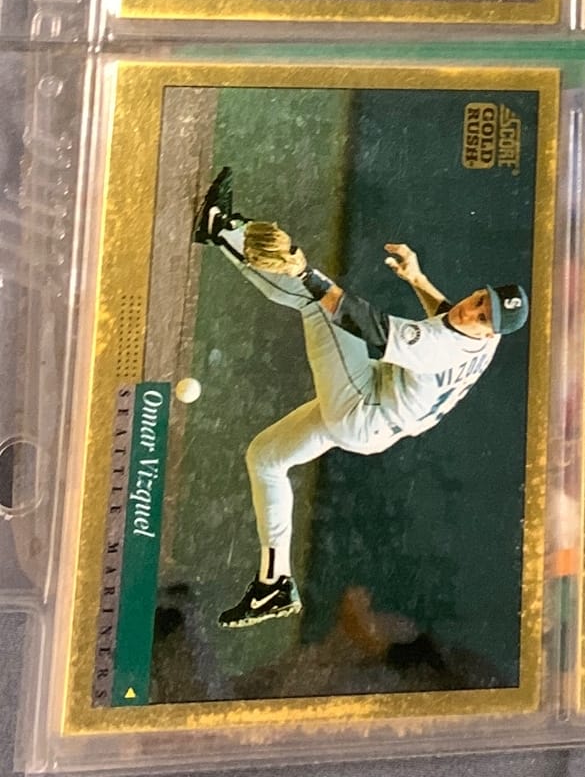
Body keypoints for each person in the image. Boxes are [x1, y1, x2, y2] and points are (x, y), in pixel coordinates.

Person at [191, 166, 527, 629]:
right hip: (377, 417)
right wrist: (417, 279)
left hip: (363, 409)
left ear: (491, 331)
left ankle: (220, 229)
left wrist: (304, 272)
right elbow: (450, 316)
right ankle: (274, 583)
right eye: (480, 300)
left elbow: (363, 323)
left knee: (315, 300)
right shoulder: (487, 340)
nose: (475, 311)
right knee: (265, 458)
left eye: (484, 316)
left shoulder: (438, 348)